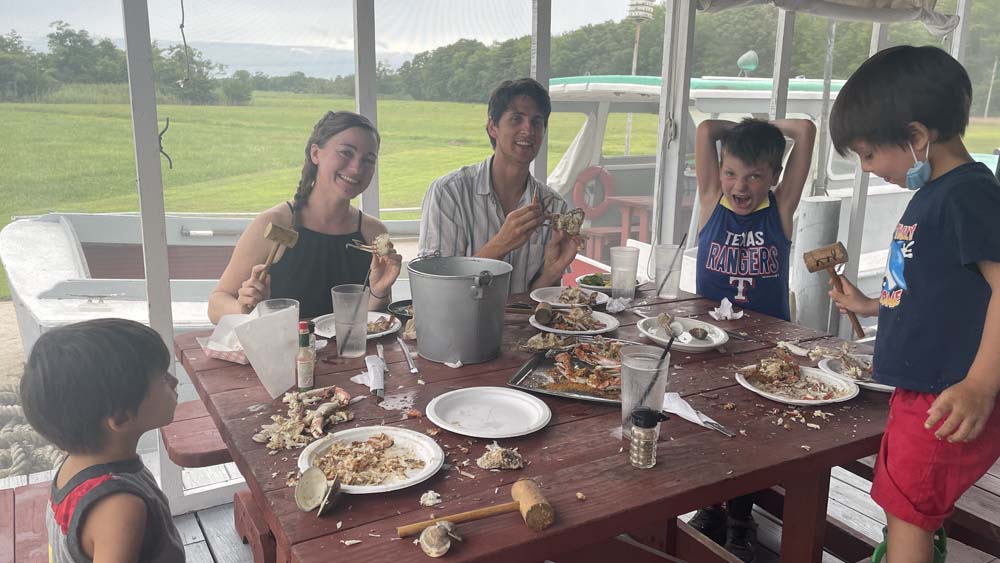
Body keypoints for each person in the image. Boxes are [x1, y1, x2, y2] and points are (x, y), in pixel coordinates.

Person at [828, 46, 1000, 563]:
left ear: (917, 137)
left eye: (869, 154)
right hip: (921, 391)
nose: (867, 168)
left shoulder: (966, 195)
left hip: (944, 397)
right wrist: (873, 304)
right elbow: (940, 287)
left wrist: (980, 384)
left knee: (907, 515)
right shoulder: (936, 193)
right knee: (908, 503)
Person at [688, 116, 816, 561]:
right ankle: (711, 505)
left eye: (754, 175)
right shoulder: (710, 200)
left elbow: (804, 129)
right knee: (710, 425)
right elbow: (705, 130)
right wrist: (742, 128)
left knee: (753, 437)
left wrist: (763, 125)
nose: (739, 186)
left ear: (774, 178)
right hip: (710, 343)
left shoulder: (780, 209)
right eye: (730, 173)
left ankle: (742, 516)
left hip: (766, 348)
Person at [209, 111, 402, 322]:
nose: (357, 168)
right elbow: (216, 304)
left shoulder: (373, 232)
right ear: (315, 154)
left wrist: (380, 291)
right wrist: (244, 307)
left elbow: (373, 320)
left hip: (351, 354)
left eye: (369, 160)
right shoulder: (275, 224)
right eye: (346, 153)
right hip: (284, 352)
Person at [20, 318, 184, 562]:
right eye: (162, 379)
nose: (174, 381)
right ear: (120, 417)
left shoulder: (75, 464)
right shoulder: (119, 507)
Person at [418, 78, 578, 294]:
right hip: (461, 326)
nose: (528, 130)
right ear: (492, 127)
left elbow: (540, 307)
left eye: (537, 122)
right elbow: (435, 290)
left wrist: (551, 272)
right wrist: (501, 243)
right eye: (516, 119)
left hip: (525, 327)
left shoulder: (554, 206)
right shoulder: (448, 193)